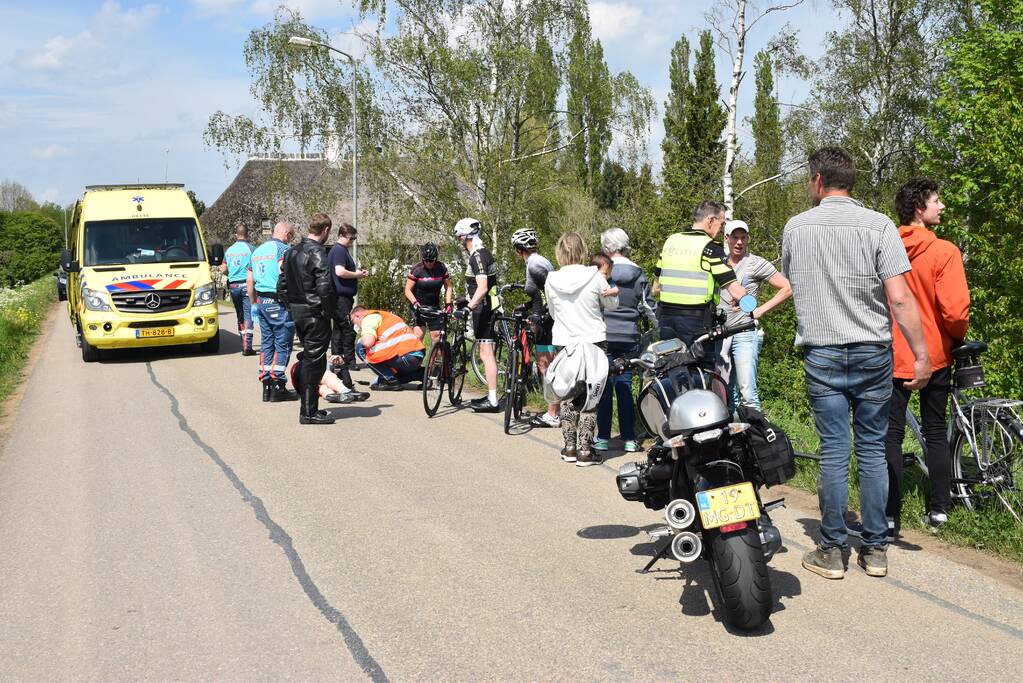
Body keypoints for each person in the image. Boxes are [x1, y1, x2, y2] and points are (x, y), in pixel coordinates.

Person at [783, 147, 931, 580]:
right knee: (871, 449)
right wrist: (921, 355)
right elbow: (900, 297)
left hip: (823, 350)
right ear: (850, 181)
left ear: (816, 181)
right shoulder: (879, 225)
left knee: (834, 450)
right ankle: (875, 549)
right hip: (872, 352)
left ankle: (830, 551)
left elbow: (793, 280)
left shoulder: (796, 228)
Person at [884, 178, 969, 533]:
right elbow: (955, 311)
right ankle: (939, 509)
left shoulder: (885, 247)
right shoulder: (943, 251)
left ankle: (888, 514)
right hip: (932, 352)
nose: (942, 206)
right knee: (935, 431)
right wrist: (956, 339)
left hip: (891, 351)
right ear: (920, 208)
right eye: (937, 200)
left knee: (889, 433)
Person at [545, 232, 618, 467]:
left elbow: (553, 312)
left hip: (566, 340)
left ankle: (569, 447)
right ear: (583, 251)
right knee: (591, 394)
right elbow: (610, 303)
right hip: (593, 339)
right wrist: (614, 293)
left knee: (567, 392)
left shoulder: (551, 279)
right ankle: (586, 449)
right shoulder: (594, 276)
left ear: (560, 253)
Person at [651, 200, 746, 370]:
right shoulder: (710, 248)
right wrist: (749, 304)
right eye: (721, 223)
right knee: (700, 373)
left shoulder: (670, 242)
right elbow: (735, 290)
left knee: (667, 369)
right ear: (710, 221)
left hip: (666, 321)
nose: (720, 229)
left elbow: (655, 288)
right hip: (696, 324)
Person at [716, 219, 792, 411]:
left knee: (747, 393)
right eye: (735, 237)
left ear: (748, 239)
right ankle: (733, 439)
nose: (739, 242)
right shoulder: (717, 263)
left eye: (743, 237)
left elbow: (787, 287)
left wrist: (761, 310)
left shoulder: (755, 263)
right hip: (719, 334)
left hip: (745, 333)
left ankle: (757, 438)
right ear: (726, 239)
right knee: (725, 394)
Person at [594, 228, 657, 454]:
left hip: (604, 335)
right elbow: (648, 306)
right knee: (624, 385)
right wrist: (662, 329)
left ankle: (602, 437)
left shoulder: (600, 272)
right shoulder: (638, 273)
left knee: (603, 387)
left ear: (606, 248)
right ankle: (629, 439)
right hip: (628, 336)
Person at [279, 213, 337, 425]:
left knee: (311, 361)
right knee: (315, 364)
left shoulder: (291, 251)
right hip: (315, 314)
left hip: (299, 312)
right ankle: (308, 412)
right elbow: (324, 287)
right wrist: (329, 313)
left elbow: (282, 285)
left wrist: (292, 306)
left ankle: (310, 408)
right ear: (326, 230)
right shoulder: (318, 252)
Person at [510, 228, 560, 428]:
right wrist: (528, 307)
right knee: (549, 365)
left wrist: (538, 315)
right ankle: (558, 409)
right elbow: (539, 293)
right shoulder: (540, 261)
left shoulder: (533, 265)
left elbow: (545, 293)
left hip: (549, 320)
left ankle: (553, 414)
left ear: (518, 250)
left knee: (546, 365)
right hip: (550, 316)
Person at [454, 218, 502, 413]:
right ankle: (491, 396)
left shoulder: (478, 256)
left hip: (484, 309)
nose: (460, 242)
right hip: (487, 306)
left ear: (466, 236)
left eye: (460, 238)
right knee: (486, 352)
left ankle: (492, 400)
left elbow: (482, 287)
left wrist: (468, 307)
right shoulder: (483, 252)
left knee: (486, 353)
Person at [248, 221, 298, 403]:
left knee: (267, 343)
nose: (289, 240)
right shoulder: (282, 250)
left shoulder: (257, 251)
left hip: (261, 301)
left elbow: (250, 280)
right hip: (278, 301)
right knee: (283, 343)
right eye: (290, 236)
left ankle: (266, 385)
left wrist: (254, 303)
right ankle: (278, 386)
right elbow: (282, 274)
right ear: (286, 233)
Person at [328, 222, 368, 393]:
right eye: (351, 238)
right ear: (343, 235)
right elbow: (339, 271)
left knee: (338, 330)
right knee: (347, 329)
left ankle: (338, 360)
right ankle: (349, 361)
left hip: (341, 297)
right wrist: (357, 274)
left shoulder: (340, 250)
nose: (352, 242)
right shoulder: (338, 250)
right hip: (341, 298)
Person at [350, 306, 426, 389]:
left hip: (404, 356)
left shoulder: (368, 318)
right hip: (416, 355)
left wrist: (362, 337)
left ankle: (390, 381)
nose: (356, 325)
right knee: (380, 380)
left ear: (357, 316)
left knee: (360, 347)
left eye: (354, 321)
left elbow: (367, 343)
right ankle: (421, 374)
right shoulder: (386, 315)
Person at [404, 242, 453, 344]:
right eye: (426, 260)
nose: (429, 263)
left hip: (434, 306)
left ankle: (435, 359)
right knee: (419, 335)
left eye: (431, 260)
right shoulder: (417, 270)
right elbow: (407, 290)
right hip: (418, 306)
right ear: (423, 259)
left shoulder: (441, 268)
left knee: (437, 337)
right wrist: (414, 302)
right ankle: (417, 359)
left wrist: (448, 304)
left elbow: (448, 286)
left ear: (435, 259)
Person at [221, 226, 256, 355]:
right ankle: (247, 346)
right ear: (247, 234)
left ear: (236, 235)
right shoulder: (251, 249)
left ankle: (243, 341)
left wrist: (232, 272)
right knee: (248, 315)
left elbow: (223, 269)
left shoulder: (229, 250)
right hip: (246, 285)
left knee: (240, 315)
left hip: (234, 286)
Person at [290, 352, 370, 405]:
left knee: (324, 389)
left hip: (309, 388)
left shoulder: (334, 371)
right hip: (301, 377)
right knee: (326, 375)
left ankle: (332, 396)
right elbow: (300, 356)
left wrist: (342, 364)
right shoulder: (303, 363)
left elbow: (347, 384)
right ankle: (344, 392)